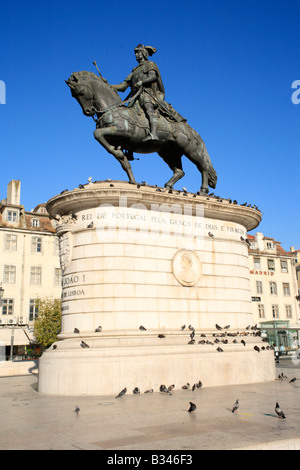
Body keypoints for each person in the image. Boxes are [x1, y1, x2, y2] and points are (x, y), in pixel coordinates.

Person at [111, 44, 166, 142]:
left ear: (144, 53)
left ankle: (153, 134)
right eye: (135, 53)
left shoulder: (150, 64)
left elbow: (153, 77)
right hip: (134, 97)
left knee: (149, 110)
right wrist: (108, 86)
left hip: (147, 93)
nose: (136, 55)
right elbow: (123, 86)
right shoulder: (134, 71)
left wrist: (142, 82)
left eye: (138, 52)